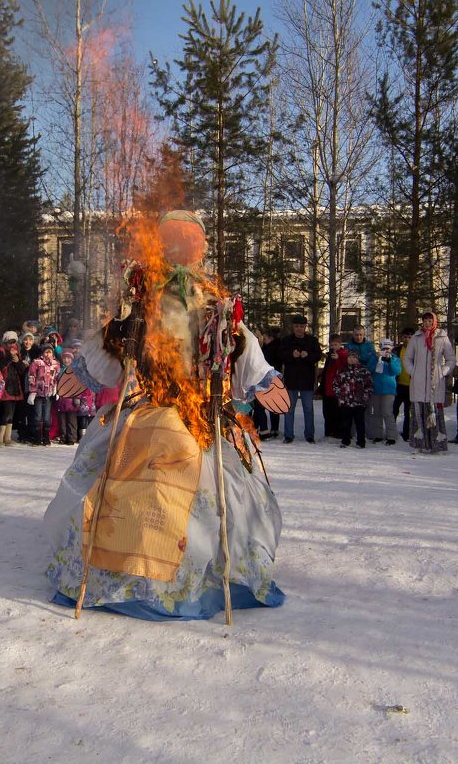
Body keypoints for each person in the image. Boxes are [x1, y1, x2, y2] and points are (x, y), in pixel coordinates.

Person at [45, 209, 287, 620]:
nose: (188, 247)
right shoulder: (144, 302)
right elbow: (116, 340)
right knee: (134, 478)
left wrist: (262, 379)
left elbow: (237, 342)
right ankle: (128, 568)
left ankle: (192, 570)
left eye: (191, 239)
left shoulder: (214, 303)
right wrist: (84, 371)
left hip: (200, 409)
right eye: (177, 238)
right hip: (150, 406)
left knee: (204, 485)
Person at [403, 312, 455, 453]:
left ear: (434, 321)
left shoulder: (442, 338)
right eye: (425, 320)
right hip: (419, 381)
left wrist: (443, 371)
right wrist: (413, 371)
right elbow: (407, 357)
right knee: (419, 411)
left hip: (435, 381)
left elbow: (451, 358)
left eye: (430, 320)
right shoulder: (416, 337)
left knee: (434, 412)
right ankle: (418, 444)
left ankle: (436, 445)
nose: (427, 323)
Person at [277, 314, 322, 444]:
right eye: (297, 326)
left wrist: (308, 356)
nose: (299, 329)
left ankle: (309, 435)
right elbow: (280, 355)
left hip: (306, 380)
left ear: (305, 327)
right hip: (291, 379)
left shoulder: (312, 340)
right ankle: (288, 435)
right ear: (293, 327)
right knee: (289, 409)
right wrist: (292, 355)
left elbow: (318, 355)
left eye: (301, 326)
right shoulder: (286, 340)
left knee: (308, 409)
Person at [332, 347, 372, 448]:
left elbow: (369, 385)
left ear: (358, 358)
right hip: (345, 401)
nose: (352, 359)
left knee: (360, 423)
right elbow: (336, 384)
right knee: (346, 422)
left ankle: (361, 441)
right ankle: (345, 440)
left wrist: (365, 396)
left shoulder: (363, 370)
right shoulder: (342, 369)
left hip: (359, 402)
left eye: (354, 357)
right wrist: (340, 396)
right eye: (350, 357)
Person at [366, 338, 401, 444]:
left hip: (389, 390)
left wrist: (389, 361)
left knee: (387, 412)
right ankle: (378, 434)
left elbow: (396, 371)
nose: (386, 351)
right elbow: (369, 369)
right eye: (384, 348)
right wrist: (377, 359)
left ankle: (391, 435)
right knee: (377, 413)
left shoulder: (394, 358)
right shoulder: (375, 357)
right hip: (376, 389)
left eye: (388, 348)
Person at [27, 344, 60, 446]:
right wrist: (32, 391)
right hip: (38, 393)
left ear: (52, 353)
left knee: (46, 417)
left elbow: (56, 378)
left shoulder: (55, 364)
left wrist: (56, 389)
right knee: (38, 416)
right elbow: (32, 376)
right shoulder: (37, 362)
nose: (47, 354)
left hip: (49, 394)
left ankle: (46, 438)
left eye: (49, 352)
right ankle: (37, 438)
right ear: (42, 353)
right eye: (46, 352)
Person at [0, 339, 27, 447]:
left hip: (15, 387)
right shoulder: (1, 352)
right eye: (10, 342)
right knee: (5, 413)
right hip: (5, 387)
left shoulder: (18, 353)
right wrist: (9, 357)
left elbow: (22, 371)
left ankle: (7, 438)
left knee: (11, 414)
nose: (12, 345)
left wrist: (17, 361)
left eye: (14, 342)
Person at [394, 327, 414, 440]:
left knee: (408, 412)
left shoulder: (416, 352)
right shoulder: (397, 350)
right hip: (398, 385)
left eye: (410, 337)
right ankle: (392, 432)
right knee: (394, 410)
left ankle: (407, 434)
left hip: (411, 386)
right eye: (405, 337)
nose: (407, 339)